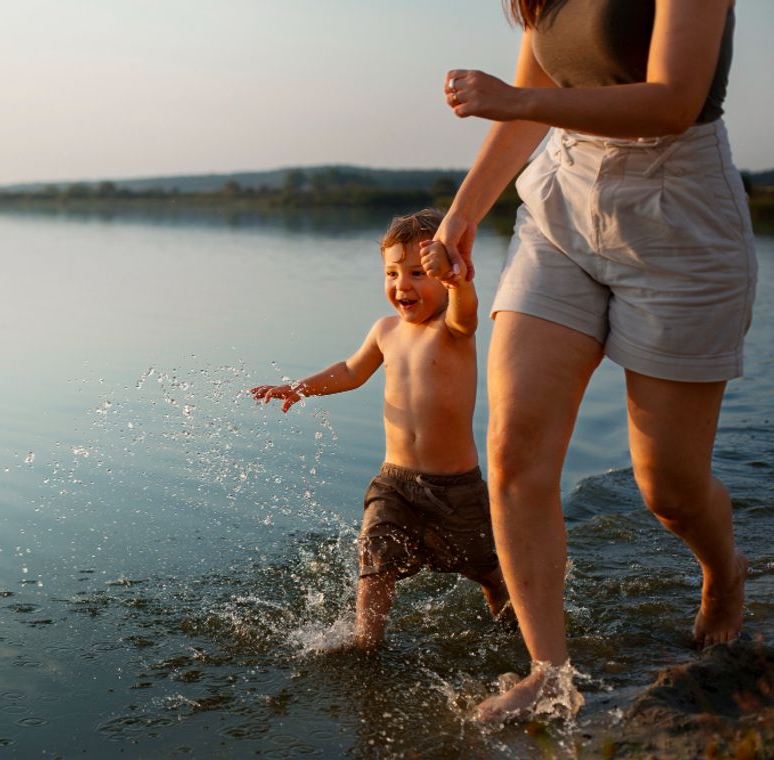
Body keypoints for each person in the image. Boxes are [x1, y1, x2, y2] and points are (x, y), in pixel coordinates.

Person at [433, 0, 754, 721]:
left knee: (668, 489)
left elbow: (675, 100)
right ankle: (548, 673)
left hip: (680, 214)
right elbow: (527, 117)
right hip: (562, 205)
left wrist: (520, 98)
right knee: (514, 451)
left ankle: (723, 569)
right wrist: (462, 213)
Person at [250, 209, 510, 652]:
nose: (401, 285)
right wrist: (299, 388)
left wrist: (458, 281)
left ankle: (509, 619)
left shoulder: (452, 328)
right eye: (391, 273)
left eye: (416, 273)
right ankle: (365, 640)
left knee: (487, 566)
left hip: (456, 487)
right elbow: (351, 371)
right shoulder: (385, 330)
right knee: (375, 556)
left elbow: (466, 308)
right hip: (394, 480)